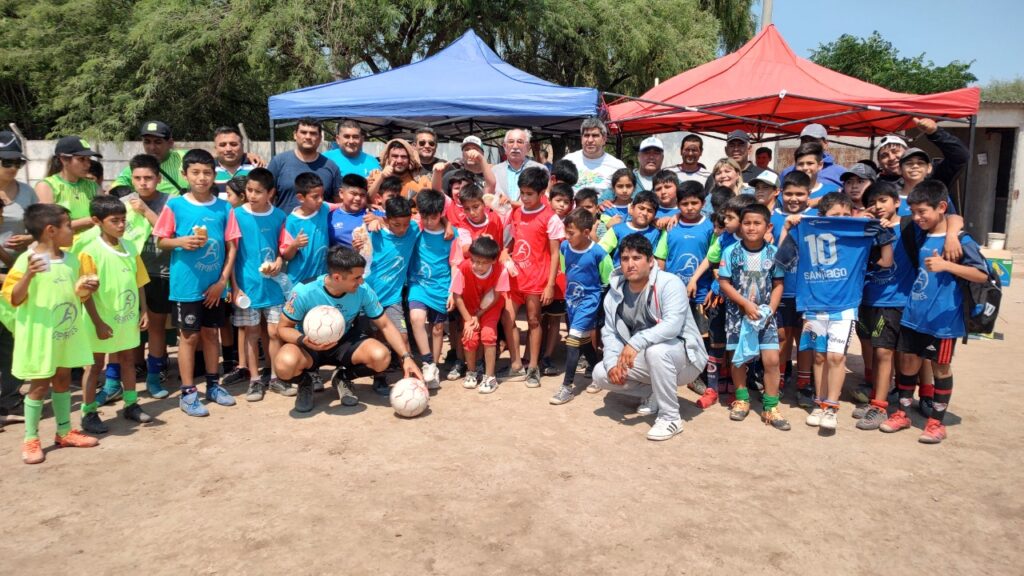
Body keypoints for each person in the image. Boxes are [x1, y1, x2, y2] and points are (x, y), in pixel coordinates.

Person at [879, 180, 988, 444]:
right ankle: (902, 413)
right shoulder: (921, 234)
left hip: (944, 321)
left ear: (940, 207)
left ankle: (936, 422)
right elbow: (952, 217)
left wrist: (947, 265)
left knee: (941, 367)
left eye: (922, 212)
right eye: (913, 212)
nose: (917, 217)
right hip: (914, 315)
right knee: (908, 364)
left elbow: (982, 275)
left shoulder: (963, 241)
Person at [776, 192, 894, 431]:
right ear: (822, 216)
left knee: (836, 357)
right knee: (818, 357)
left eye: (845, 215)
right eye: (834, 216)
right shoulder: (806, 228)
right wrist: (787, 229)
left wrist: (881, 230)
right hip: (813, 304)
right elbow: (781, 260)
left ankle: (832, 408)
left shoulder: (861, 230)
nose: (842, 219)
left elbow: (886, 261)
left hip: (845, 305)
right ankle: (819, 405)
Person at [2, 204, 102, 464]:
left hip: (66, 333)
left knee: (62, 377)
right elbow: (14, 297)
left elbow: (76, 293)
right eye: (68, 225)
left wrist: (88, 288)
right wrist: (28, 276)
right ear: (50, 230)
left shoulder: (71, 259)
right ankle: (31, 438)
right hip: (40, 334)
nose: (72, 230)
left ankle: (64, 431)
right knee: (38, 385)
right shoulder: (27, 260)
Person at [275, 246, 423, 412]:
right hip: (309, 346)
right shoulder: (304, 291)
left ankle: (343, 377)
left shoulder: (363, 290)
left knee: (381, 357)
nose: (361, 281)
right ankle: (305, 382)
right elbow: (283, 328)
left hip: (344, 343)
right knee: (283, 364)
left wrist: (406, 357)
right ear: (337, 277)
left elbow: (385, 324)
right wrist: (304, 340)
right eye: (357, 277)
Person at [592, 234, 708, 441]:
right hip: (647, 358)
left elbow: (672, 325)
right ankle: (654, 393)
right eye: (625, 259)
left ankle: (670, 417)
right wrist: (612, 364)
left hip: (685, 359)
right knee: (601, 374)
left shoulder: (670, 283)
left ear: (651, 260)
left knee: (657, 351)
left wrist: (635, 342)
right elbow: (609, 334)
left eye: (637, 258)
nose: (630, 264)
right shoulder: (614, 293)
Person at [153, 149, 240, 416]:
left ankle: (213, 385)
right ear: (185, 175)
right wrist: (180, 242)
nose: (202, 178)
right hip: (185, 287)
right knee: (188, 337)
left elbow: (231, 246)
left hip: (214, 286)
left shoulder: (224, 207)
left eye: (207, 173)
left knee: (211, 334)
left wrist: (222, 281)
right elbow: (161, 240)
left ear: (215, 175)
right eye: (195, 173)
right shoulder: (175, 206)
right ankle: (189, 392)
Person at [75, 195, 153, 433]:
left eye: (123, 220)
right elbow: (85, 293)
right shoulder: (89, 251)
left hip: (126, 316)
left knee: (128, 358)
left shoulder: (129, 246)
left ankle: (131, 403)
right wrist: (97, 322)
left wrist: (144, 309)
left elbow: (139, 281)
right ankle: (88, 412)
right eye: (114, 221)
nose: (121, 225)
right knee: (95, 365)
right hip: (99, 319)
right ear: (97, 221)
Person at [717, 203, 788, 429]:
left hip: (765, 318)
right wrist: (745, 304)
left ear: (767, 226)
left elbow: (778, 284)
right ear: (740, 226)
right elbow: (724, 283)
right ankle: (742, 399)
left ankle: (770, 406)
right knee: (738, 359)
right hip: (738, 316)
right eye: (746, 223)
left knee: (772, 360)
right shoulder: (731, 252)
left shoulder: (773, 254)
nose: (751, 227)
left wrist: (770, 311)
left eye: (757, 223)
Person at [229, 168, 288, 402]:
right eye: (249, 190)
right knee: (252, 333)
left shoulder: (279, 216)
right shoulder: (235, 215)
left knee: (274, 332)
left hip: (274, 287)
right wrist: (234, 287)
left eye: (258, 191)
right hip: (246, 288)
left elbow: (284, 248)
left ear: (271, 193)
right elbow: (231, 254)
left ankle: (275, 378)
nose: (252, 195)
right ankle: (254, 380)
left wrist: (279, 261)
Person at [655, 180, 714, 407]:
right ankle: (676, 373)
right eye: (685, 204)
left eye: (694, 203)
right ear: (678, 204)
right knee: (674, 334)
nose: (690, 208)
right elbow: (661, 258)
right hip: (673, 293)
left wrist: (710, 287)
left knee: (701, 336)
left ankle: (697, 376)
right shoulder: (672, 227)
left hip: (701, 293)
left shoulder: (709, 228)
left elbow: (714, 258)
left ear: (703, 203)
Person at [356, 196, 420, 394]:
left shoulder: (414, 229)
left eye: (405, 224)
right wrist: (374, 218)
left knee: (402, 336)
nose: (402, 229)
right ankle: (379, 377)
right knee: (374, 339)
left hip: (393, 298)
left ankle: (410, 379)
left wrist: (447, 224)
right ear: (387, 220)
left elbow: (436, 215)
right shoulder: (371, 232)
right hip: (367, 298)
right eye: (396, 224)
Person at [508, 167, 565, 388]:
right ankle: (515, 364)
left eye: (529, 193)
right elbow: (514, 242)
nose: (524, 198)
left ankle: (533, 367)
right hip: (514, 279)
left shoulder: (550, 218)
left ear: (542, 192)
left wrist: (550, 285)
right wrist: (505, 254)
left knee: (533, 320)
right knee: (508, 318)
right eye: (522, 193)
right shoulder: (516, 212)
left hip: (536, 280)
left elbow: (554, 254)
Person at [550, 208, 612, 405]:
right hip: (571, 301)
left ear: (586, 232)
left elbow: (606, 280)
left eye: (571, 233)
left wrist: (598, 306)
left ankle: (566, 386)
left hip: (589, 302)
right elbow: (565, 270)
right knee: (583, 341)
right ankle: (598, 373)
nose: (567, 236)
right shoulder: (564, 248)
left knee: (573, 339)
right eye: (565, 232)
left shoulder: (599, 253)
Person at [0, 131, 37, 423]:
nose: (12, 168)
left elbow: (40, 225)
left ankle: (10, 398)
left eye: (17, 162)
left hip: (16, 272)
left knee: (11, 337)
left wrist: (29, 236)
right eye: (6, 162)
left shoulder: (26, 192)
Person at [769, 171, 814, 407]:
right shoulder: (772, 218)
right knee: (781, 337)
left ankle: (804, 383)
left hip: (809, 291)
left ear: (809, 195)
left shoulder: (817, 217)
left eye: (800, 194)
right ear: (780, 194)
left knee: (804, 338)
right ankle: (779, 379)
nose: (794, 198)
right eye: (789, 193)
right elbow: (772, 254)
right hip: (781, 289)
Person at [407, 189, 458, 390]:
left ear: (441, 213)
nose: (428, 221)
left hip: (442, 287)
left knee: (437, 330)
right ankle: (427, 361)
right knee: (417, 319)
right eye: (424, 216)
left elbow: (455, 264)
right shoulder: (414, 229)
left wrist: (453, 291)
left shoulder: (453, 235)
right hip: (418, 285)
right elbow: (392, 220)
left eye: (433, 217)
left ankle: (434, 367)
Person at [453, 237, 510, 394]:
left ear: (493, 261)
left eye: (482, 262)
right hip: (468, 308)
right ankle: (471, 372)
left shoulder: (500, 270)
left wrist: (479, 315)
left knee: (488, 335)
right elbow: (457, 296)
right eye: (474, 261)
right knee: (469, 336)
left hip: (490, 308)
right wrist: (468, 320)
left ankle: (490, 376)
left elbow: (496, 296)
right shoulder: (463, 268)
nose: (477, 266)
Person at [35, 136, 103, 239]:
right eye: (81, 159)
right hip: (64, 250)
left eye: (89, 159)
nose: (88, 164)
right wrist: (88, 221)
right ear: (64, 159)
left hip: (91, 249)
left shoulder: (93, 186)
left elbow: (105, 216)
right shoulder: (46, 186)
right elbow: (49, 226)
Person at [268, 119, 342, 213]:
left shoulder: (331, 167)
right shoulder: (278, 162)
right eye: (303, 132)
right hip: (285, 226)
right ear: (295, 135)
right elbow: (267, 199)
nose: (308, 137)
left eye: (313, 133)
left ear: (319, 137)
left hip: (319, 227)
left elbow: (339, 205)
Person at [875, 118, 968, 191]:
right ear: (879, 162)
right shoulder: (876, 185)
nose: (891, 157)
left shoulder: (930, 175)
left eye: (895, 151)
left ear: (908, 152)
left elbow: (960, 156)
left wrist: (935, 133)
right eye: (884, 156)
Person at [114, 120, 189, 196]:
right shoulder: (138, 167)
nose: (152, 147)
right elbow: (116, 187)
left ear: (170, 143)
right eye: (147, 142)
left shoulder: (186, 157)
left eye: (158, 142)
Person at [282, 172, 331, 286]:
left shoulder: (323, 208)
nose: (320, 200)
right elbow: (286, 256)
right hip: (299, 282)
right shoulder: (291, 221)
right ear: (300, 197)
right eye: (315, 197)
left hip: (321, 280)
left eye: (322, 195)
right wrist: (295, 245)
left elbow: (342, 206)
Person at [564, 118, 626, 202]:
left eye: (595, 135)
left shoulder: (617, 166)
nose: (590, 140)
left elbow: (625, 196)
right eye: (586, 135)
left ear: (604, 139)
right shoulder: (568, 160)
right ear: (581, 138)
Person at [599, 191, 661, 266]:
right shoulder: (617, 229)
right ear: (631, 209)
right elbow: (600, 251)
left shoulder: (656, 232)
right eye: (641, 208)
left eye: (650, 211)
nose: (645, 213)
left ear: (654, 215)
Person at [779, 124, 846, 188]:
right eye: (804, 140)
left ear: (825, 143)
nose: (808, 144)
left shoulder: (840, 173)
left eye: (813, 140)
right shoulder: (787, 172)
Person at [705, 130, 773, 192]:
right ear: (726, 150)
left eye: (741, 145)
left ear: (749, 149)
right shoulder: (716, 178)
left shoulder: (763, 175)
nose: (736, 149)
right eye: (732, 145)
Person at [493, 129, 545, 203]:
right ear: (504, 146)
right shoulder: (494, 171)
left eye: (520, 142)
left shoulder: (540, 170)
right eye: (511, 142)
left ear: (527, 147)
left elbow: (545, 199)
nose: (515, 146)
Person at [433, 136, 497, 196]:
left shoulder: (491, 175)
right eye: (467, 149)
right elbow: (439, 195)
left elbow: (491, 185)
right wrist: (437, 173)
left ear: (482, 153)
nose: (471, 152)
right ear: (462, 154)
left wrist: (482, 160)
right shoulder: (452, 175)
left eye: (475, 149)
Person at [213, 126, 264, 195]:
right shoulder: (208, 169)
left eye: (233, 144)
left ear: (242, 146)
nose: (228, 149)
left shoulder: (257, 167)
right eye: (222, 145)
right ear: (216, 148)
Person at [328, 174, 371, 248]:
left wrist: (380, 220)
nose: (358, 198)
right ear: (341, 193)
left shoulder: (372, 214)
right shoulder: (330, 218)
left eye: (362, 195)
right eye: (353, 194)